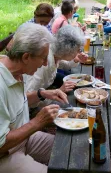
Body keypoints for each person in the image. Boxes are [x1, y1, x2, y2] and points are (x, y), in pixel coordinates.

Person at [0, 23, 68, 173]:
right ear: (26, 57)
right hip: (4, 154)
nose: (45, 63)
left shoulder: (17, 70)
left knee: (68, 150)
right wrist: (38, 122)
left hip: (24, 138)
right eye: (44, 58)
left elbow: (16, 100)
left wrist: (41, 94)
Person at [24, 25, 87, 95]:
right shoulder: (44, 63)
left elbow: (64, 64)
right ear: (69, 50)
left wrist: (75, 60)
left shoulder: (55, 53)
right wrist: (59, 91)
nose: (79, 52)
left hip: (46, 93)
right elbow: (28, 96)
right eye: (78, 50)